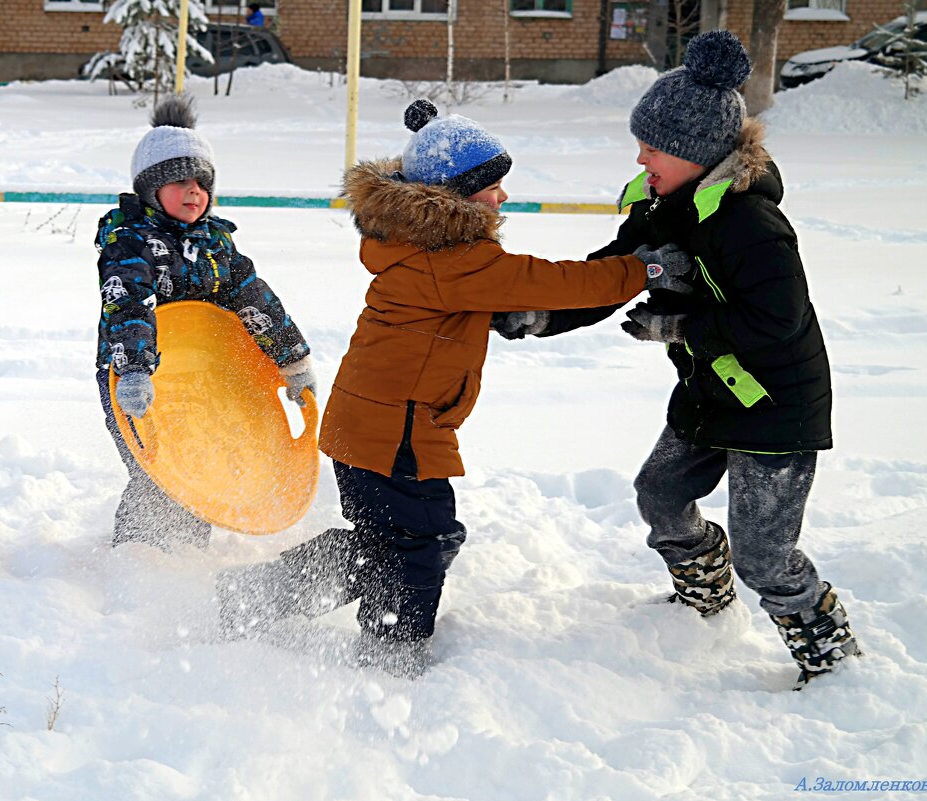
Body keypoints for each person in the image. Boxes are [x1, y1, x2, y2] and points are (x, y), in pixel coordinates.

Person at [215, 99, 694, 678]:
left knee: (394, 541)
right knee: (421, 541)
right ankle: (390, 652)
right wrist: (643, 269)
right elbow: (555, 282)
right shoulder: (455, 260)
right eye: (492, 187)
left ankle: (257, 599)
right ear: (453, 196)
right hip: (395, 431)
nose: (503, 197)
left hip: (375, 426)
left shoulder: (425, 247)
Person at [496, 31, 859, 690]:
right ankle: (703, 593)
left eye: (653, 148)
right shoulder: (658, 207)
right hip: (709, 392)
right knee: (659, 494)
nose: (640, 157)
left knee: (764, 553)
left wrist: (681, 324)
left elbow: (778, 320)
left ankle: (829, 653)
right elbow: (612, 274)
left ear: (696, 153)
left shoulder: (751, 223)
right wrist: (540, 314)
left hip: (777, 407)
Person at [95, 95, 315, 550]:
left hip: (206, 376)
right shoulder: (129, 241)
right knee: (157, 467)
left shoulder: (217, 243)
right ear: (149, 190)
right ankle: (139, 556)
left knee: (201, 459)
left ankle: (186, 552)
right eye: (179, 182)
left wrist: (292, 361)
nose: (195, 192)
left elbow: (255, 300)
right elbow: (129, 306)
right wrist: (134, 371)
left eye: (202, 182)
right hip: (137, 375)